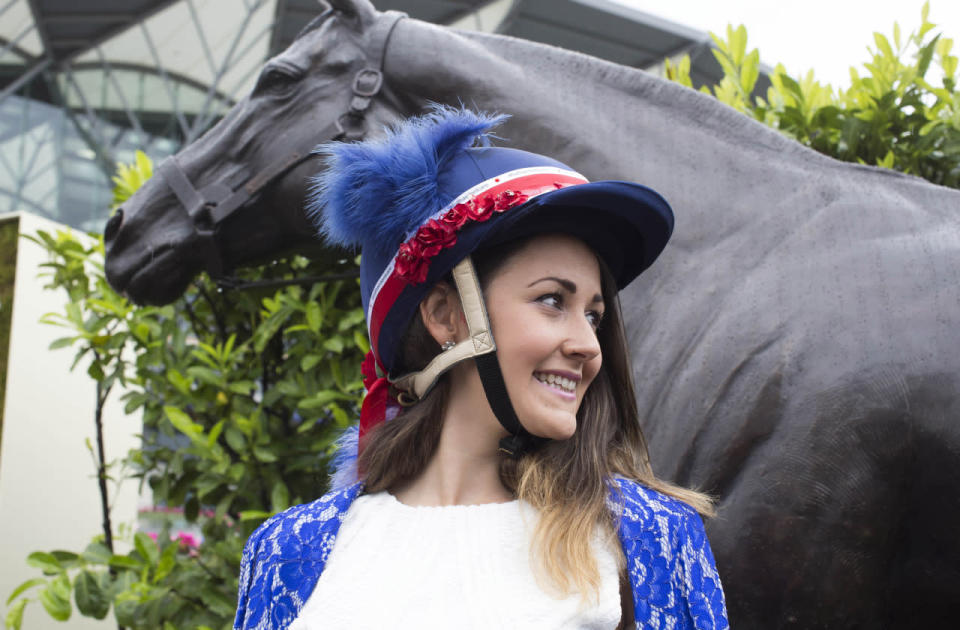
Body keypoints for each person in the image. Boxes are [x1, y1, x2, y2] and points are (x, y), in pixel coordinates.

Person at [233, 107, 729, 629]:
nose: (589, 345)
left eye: (594, 315)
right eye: (552, 300)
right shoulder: (289, 552)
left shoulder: (650, 538)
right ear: (446, 315)